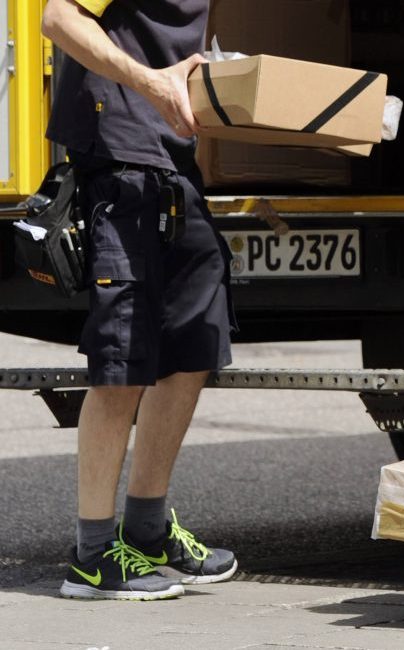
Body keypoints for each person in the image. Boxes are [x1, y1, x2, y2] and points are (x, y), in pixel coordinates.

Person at [41, 0, 237, 600]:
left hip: (171, 165)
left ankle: (147, 530)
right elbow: (57, 19)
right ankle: (93, 556)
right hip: (117, 162)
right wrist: (152, 82)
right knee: (122, 359)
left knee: (196, 336)